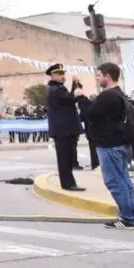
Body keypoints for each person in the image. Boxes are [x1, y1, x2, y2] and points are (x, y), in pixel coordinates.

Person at [75, 62, 134, 230]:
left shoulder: (108, 95)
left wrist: (81, 98)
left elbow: (90, 114)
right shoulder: (118, 94)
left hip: (110, 145)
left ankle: (128, 218)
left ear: (107, 76)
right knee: (124, 181)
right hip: (118, 143)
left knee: (115, 181)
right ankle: (132, 216)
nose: (97, 78)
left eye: (99, 75)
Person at [45, 63, 85, 191]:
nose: (63, 76)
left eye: (63, 74)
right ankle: (68, 184)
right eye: (60, 74)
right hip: (63, 130)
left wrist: (75, 85)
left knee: (68, 157)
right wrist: (76, 91)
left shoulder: (59, 88)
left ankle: (69, 182)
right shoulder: (55, 89)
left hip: (66, 129)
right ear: (53, 76)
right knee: (64, 158)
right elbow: (70, 99)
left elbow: (69, 99)